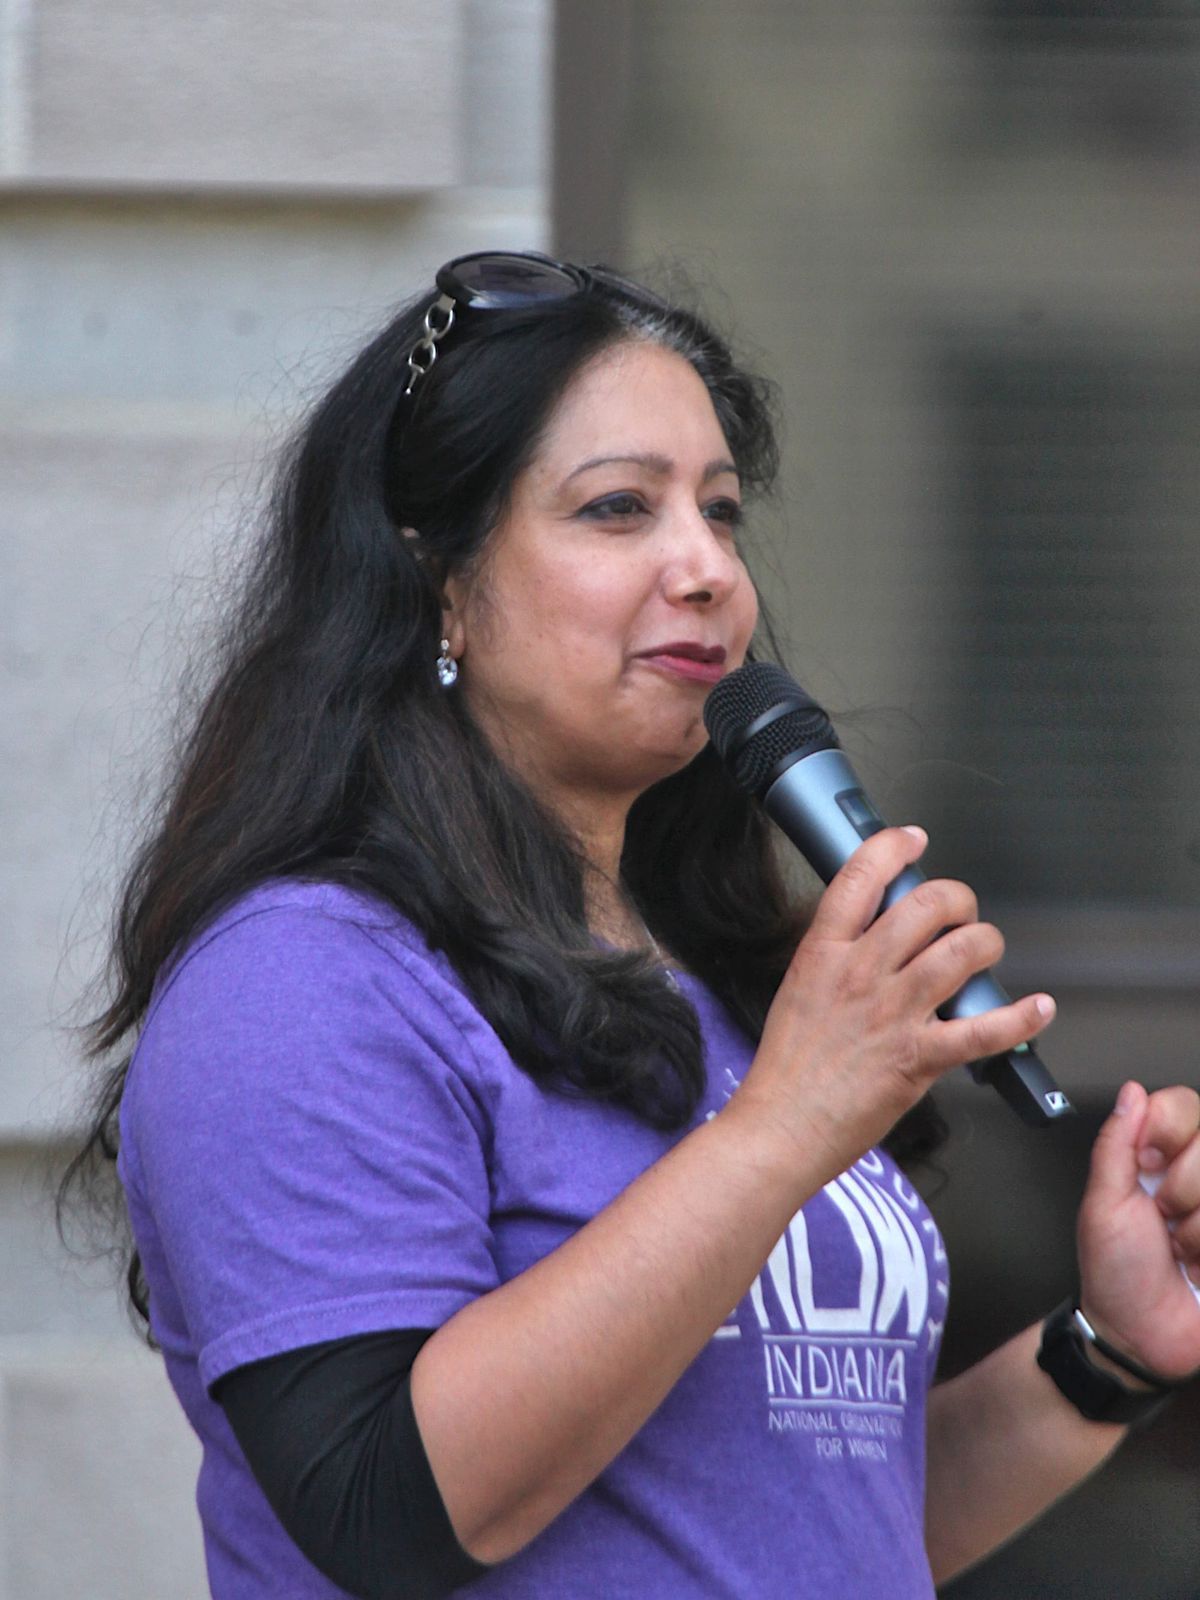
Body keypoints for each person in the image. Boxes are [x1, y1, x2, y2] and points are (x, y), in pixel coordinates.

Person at [65, 251, 1200, 1600]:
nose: (708, 567)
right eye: (618, 509)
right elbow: (386, 1510)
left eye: (721, 514)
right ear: (439, 584)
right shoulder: (301, 980)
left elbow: (813, 1526)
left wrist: (1104, 1356)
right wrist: (782, 1126)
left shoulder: (721, 993)